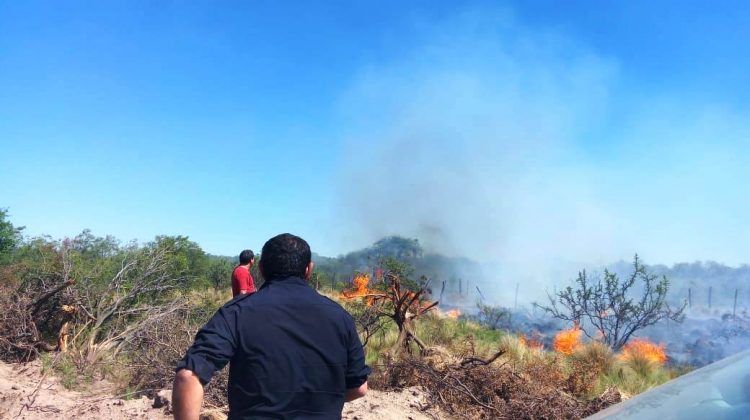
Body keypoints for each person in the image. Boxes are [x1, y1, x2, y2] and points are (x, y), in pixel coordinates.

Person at [173, 233, 370, 419]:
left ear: (261, 269)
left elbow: (188, 377)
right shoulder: (340, 317)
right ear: (309, 269)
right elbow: (359, 388)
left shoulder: (236, 313)